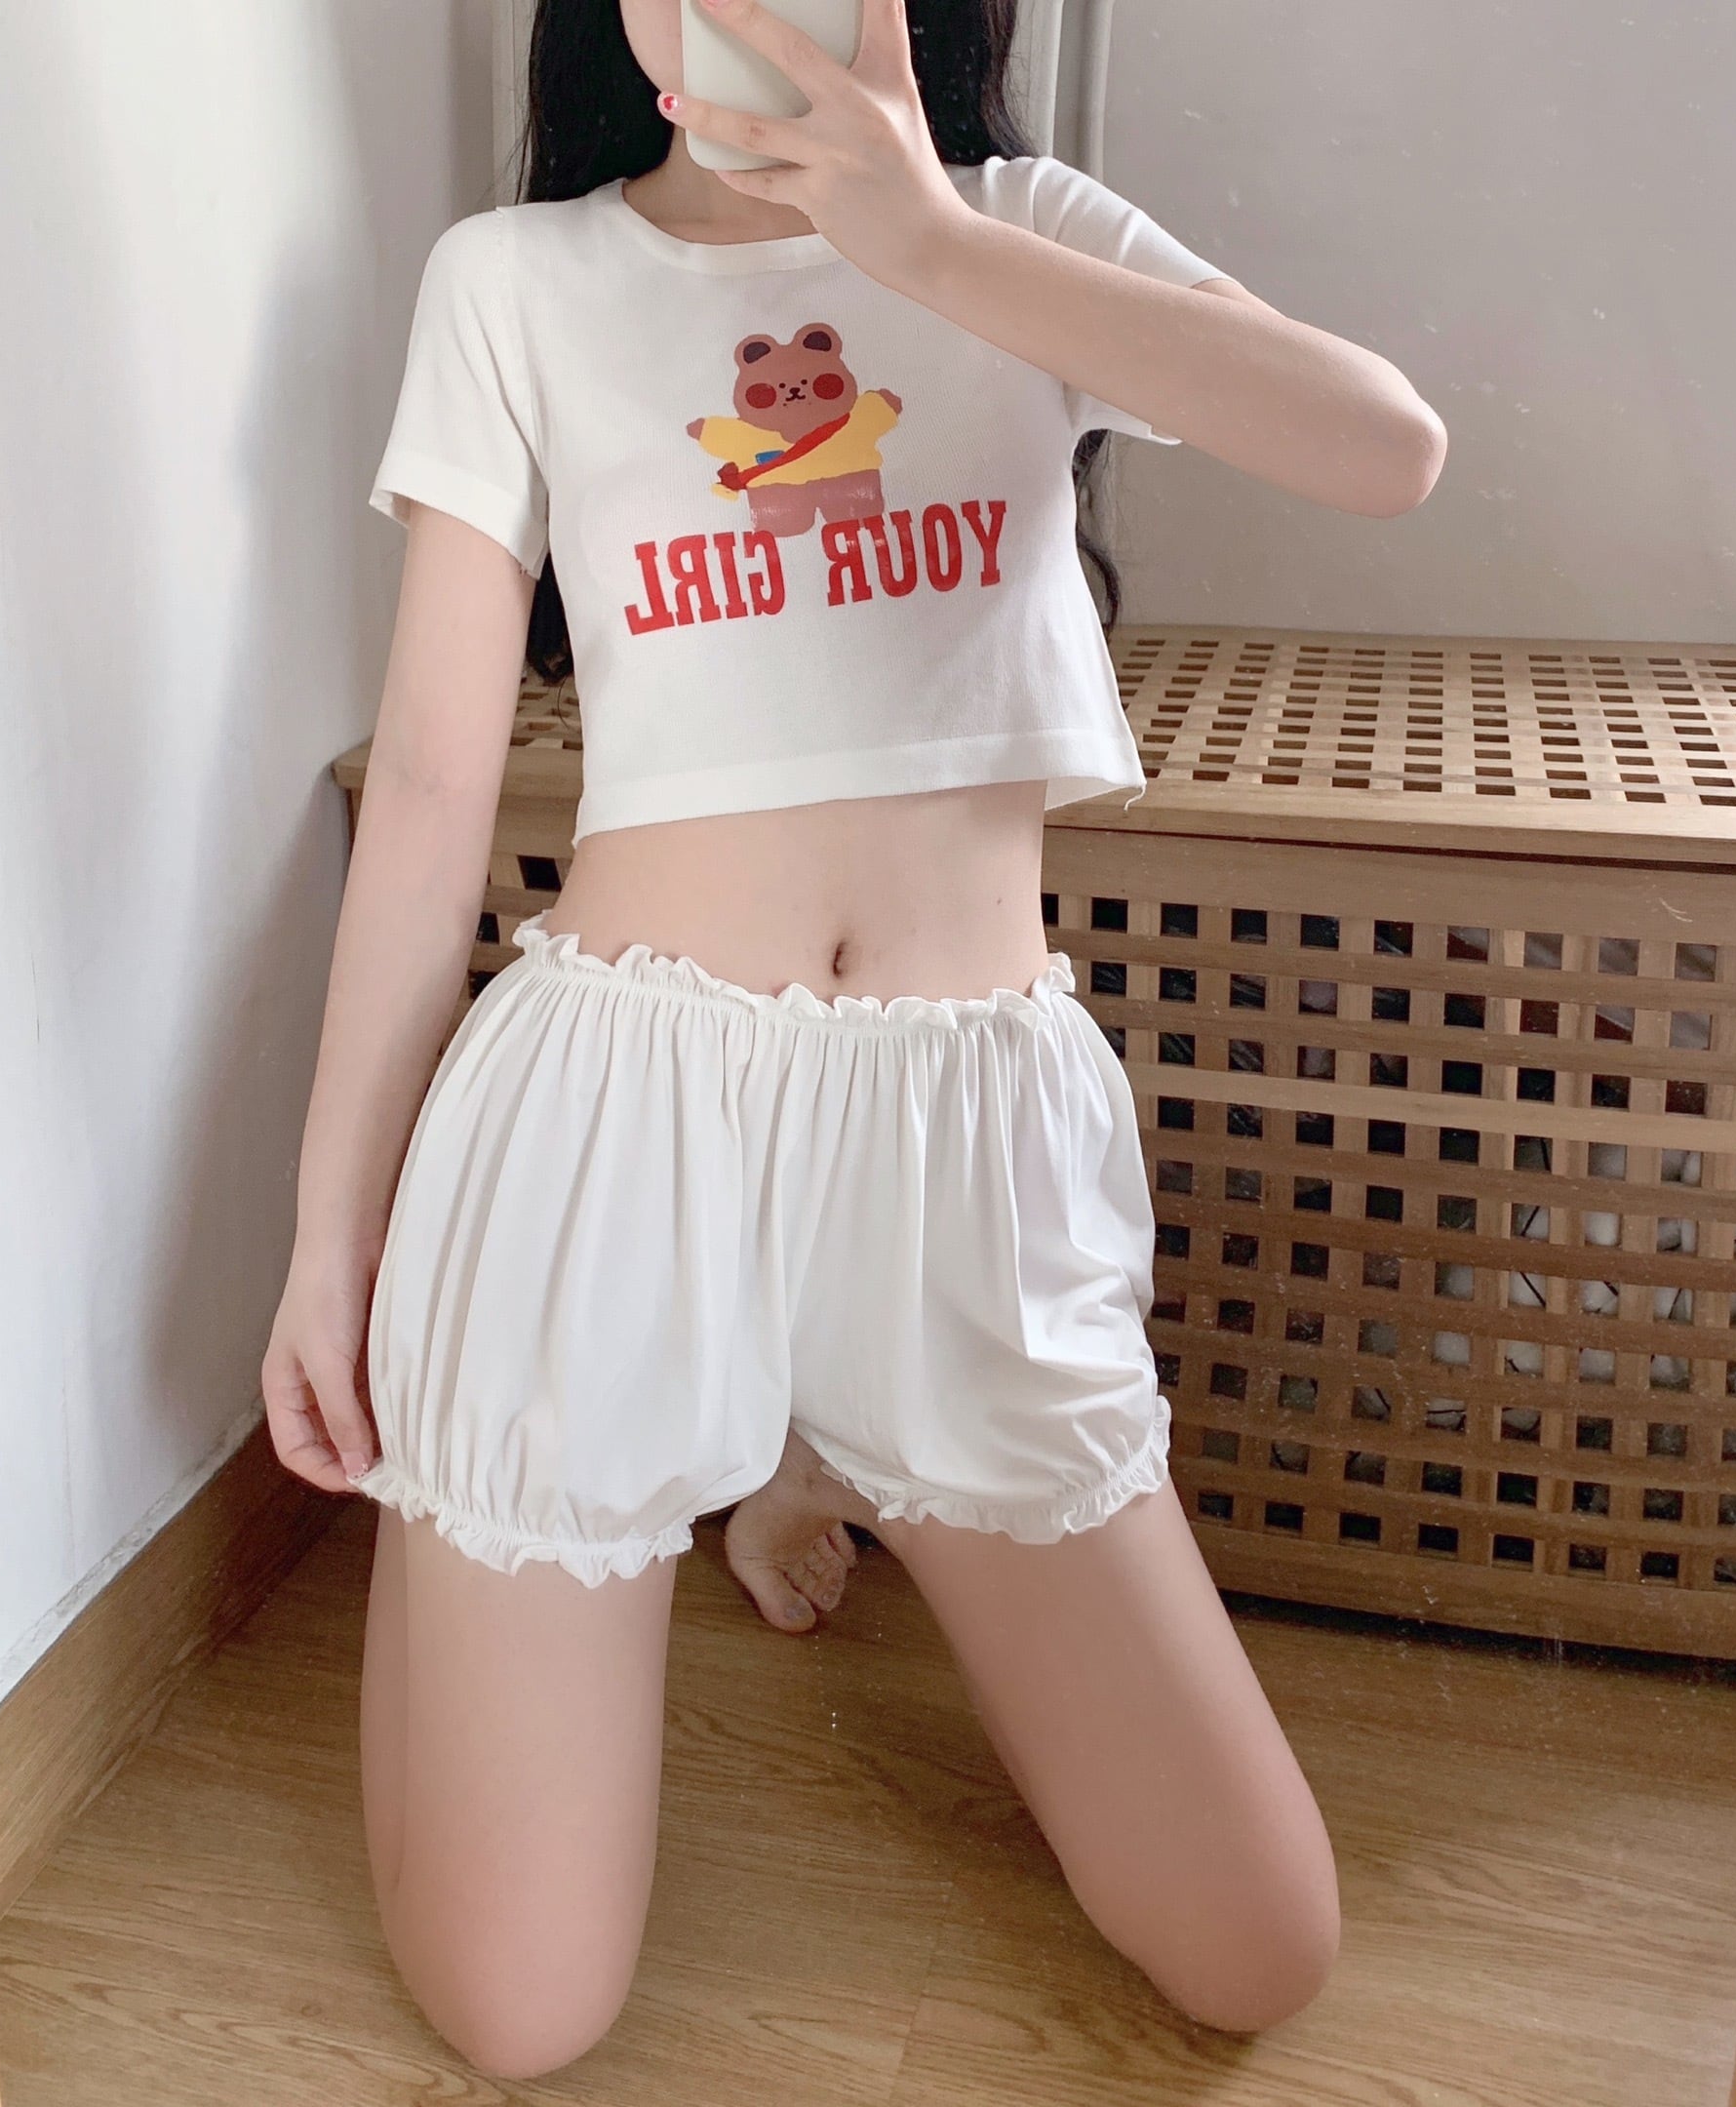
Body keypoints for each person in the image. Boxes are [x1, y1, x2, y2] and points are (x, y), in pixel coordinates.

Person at [261, 0, 1446, 2080]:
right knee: (521, 2013)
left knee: (1260, 1950)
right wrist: (330, 1241)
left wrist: (931, 247)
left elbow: (1384, 445)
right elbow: (437, 788)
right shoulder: (515, 280)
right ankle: (664, 1463)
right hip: (612, 1133)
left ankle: (807, 1450)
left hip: (962, 1144)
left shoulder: (1023, 227)